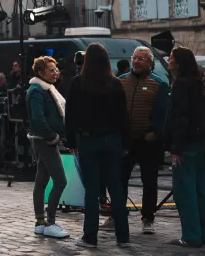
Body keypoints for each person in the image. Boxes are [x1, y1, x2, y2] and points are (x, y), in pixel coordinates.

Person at [65, 43, 130, 248]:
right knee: (116, 189)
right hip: (112, 139)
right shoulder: (115, 84)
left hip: (88, 140)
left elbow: (70, 116)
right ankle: (123, 237)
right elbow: (123, 116)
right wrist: (125, 143)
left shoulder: (78, 83)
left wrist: (71, 141)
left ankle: (90, 237)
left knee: (91, 191)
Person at [110, 46, 169, 235]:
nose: (136, 61)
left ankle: (148, 218)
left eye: (141, 59)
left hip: (148, 141)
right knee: (120, 180)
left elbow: (162, 112)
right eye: (134, 58)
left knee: (149, 181)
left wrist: (155, 132)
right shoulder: (120, 81)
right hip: (125, 140)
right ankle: (117, 215)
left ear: (150, 63)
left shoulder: (160, 84)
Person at [166, 47, 205, 248]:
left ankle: (191, 235)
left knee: (185, 192)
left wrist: (176, 147)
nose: (168, 60)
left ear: (179, 62)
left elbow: (181, 117)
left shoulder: (181, 84)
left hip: (186, 143)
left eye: (171, 57)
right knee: (199, 190)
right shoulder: (199, 82)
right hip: (200, 141)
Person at [27, 56, 70, 239]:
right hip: (44, 141)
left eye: (56, 69)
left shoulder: (46, 88)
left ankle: (40, 221)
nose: (55, 73)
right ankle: (50, 221)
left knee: (42, 181)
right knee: (60, 181)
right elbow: (38, 118)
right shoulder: (37, 90)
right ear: (40, 72)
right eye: (51, 70)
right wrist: (53, 136)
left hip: (44, 140)